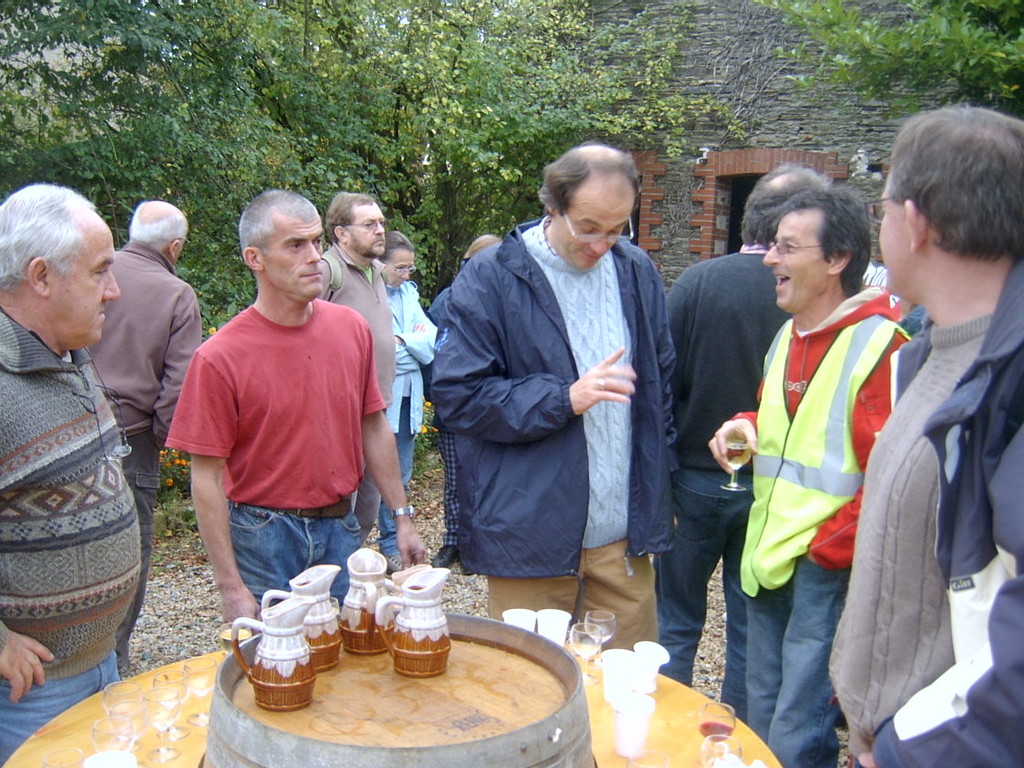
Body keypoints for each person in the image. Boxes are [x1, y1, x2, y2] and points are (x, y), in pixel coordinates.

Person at [830, 105, 1024, 768]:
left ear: (913, 222)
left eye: (882, 205)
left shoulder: (1011, 384)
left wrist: (909, 746)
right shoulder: (927, 353)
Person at [431, 143, 675, 649]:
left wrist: (658, 491)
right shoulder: (491, 276)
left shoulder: (636, 273)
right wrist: (564, 398)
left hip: (621, 542)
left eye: (617, 229)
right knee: (530, 695)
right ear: (552, 207)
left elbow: (660, 391)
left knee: (621, 697)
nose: (602, 244)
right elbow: (458, 396)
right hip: (530, 540)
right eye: (588, 227)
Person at [709, 185, 907, 768]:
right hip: (770, 556)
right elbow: (784, 422)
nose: (770, 259)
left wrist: (825, 552)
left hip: (822, 568)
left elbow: (891, 479)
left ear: (837, 259)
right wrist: (742, 427)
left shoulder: (882, 345)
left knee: (799, 730)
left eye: (787, 247)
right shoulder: (786, 335)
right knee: (762, 714)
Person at [166, 190, 425, 622]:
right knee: (277, 673)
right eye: (295, 245)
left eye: (316, 242)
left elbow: (373, 425)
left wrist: (401, 517)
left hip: (343, 528)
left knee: (350, 659)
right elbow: (206, 478)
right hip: (263, 535)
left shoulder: (350, 329)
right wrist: (230, 586)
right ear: (255, 258)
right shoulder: (219, 357)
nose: (314, 258)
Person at [655, 165, 830, 719]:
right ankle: (733, 741)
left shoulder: (697, 282)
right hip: (775, 490)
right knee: (750, 628)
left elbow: (662, 384)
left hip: (695, 482)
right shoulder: (819, 299)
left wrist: (660, 476)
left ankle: (665, 731)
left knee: (676, 621)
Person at [0, 184, 140, 763]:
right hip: (32, 688)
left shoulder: (68, 354)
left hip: (99, 660)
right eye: (101, 271)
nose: (115, 290)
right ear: (41, 277)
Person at [88, 200, 202, 676]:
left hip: (70, 426)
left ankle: (80, 660)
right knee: (129, 553)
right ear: (174, 247)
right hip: (132, 441)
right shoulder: (176, 294)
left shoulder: (91, 271)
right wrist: (162, 440)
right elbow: (179, 385)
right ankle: (113, 661)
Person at [320, 192, 396, 552]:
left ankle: (349, 573)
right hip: (338, 414)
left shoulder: (378, 272)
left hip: (376, 411)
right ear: (341, 234)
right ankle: (330, 583)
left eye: (381, 222)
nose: (380, 230)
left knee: (368, 505)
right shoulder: (325, 272)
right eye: (369, 224)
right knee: (341, 507)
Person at [427, 233, 500, 569]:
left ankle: (479, 547)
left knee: (487, 483)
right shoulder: (446, 301)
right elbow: (432, 356)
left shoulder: (503, 299)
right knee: (457, 482)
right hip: (454, 412)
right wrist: (441, 400)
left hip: (491, 410)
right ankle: (454, 542)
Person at [374, 231, 437, 572]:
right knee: (371, 476)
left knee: (401, 473)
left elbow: (431, 341)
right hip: (382, 394)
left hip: (409, 395)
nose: (406, 275)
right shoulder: (370, 295)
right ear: (380, 264)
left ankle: (390, 544)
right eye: (400, 268)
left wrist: (402, 341)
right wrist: (405, 345)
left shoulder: (409, 294)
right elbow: (379, 351)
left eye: (410, 268)